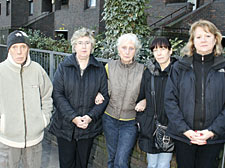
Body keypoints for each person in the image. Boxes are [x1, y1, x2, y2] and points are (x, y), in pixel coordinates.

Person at [164, 19, 225, 168]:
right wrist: (185, 130)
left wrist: (212, 131)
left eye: (208, 36)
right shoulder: (179, 67)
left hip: (213, 138)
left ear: (216, 39)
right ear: (192, 41)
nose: (203, 40)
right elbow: (170, 100)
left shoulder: (223, 67)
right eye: (198, 37)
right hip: (184, 137)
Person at [49, 27, 109, 168]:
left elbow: (104, 96)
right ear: (74, 46)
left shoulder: (99, 69)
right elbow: (57, 94)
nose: (84, 46)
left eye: (87, 43)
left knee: (82, 164)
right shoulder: (64, 67)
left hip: (88, 127)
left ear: (92, 46)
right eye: (80, 42)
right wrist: (73, 117)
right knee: (67, 163)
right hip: (65, 126)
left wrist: (90, 116)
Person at [0, 30, 53, 168]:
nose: (19, 52)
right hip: (8, 140)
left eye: (23, 47)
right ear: (9, 50)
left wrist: (44, 119)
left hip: (34, 140)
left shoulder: (37, 70)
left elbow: (47, 95)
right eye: (14, 47)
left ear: (28, 49)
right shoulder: (1, 71)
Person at [96, 33, 144, 168]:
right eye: (124, 48)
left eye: (131, 48)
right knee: (112, 158)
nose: (127, 52)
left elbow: (148, 93)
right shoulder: (109, 67)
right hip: (109, 119)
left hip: (130, 122)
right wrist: (98, 93)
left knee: (121, 161)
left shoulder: (142, 70)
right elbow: (101, 87)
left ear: (136, 50)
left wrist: (145, 100)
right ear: (118, 49)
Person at [136, 37, 176, 168]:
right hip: (150, 126)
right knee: (152, 164)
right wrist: (143, 102)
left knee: (164, 164)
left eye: (163, 49)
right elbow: (142, 95)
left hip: (169, 126)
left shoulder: (179, 72)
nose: (159, 53)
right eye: (155, 50)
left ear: (170, 51)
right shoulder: (149, 72)